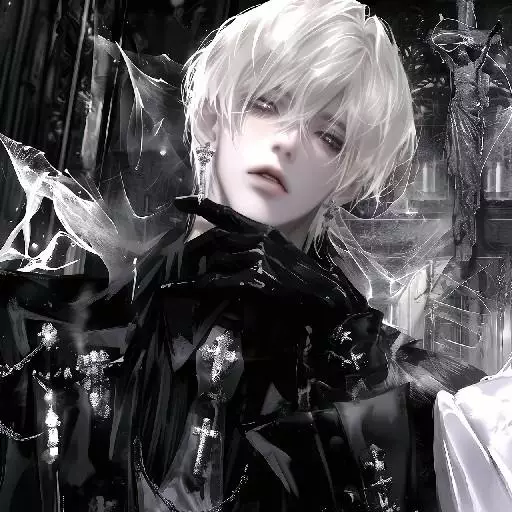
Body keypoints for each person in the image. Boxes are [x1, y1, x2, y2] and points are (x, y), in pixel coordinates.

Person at [0, 1, 485, 511]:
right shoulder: (45, 328)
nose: (287, 142)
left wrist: (346, 350)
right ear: (212, 116)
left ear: (350, 180)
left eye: (328, 136)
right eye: (266, 104)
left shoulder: (386, 376)